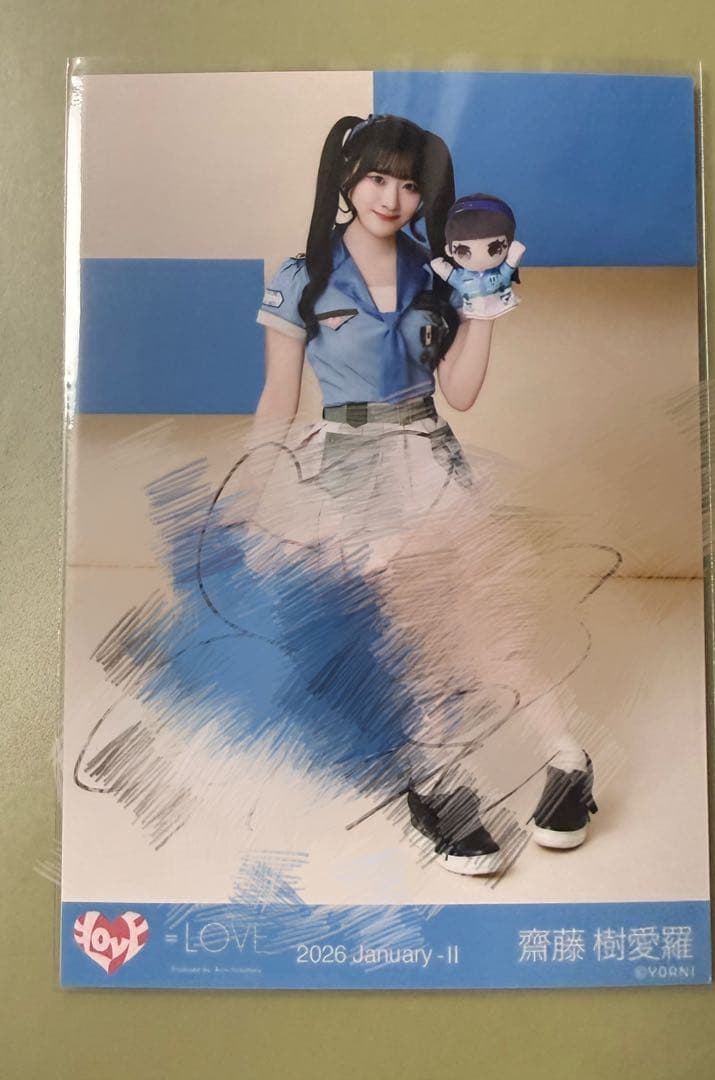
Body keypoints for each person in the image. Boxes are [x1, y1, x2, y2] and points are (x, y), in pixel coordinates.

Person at [245, 113, 600, 875]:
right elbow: (279, 396)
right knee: (402, 637)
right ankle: (438, 784)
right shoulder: (301, 275)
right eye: (377, 178)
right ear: (347, 179)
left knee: (480, 629)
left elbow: (461, 393)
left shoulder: (438, 271)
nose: (392, 197)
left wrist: (482, 306)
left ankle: (568, 759)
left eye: (409, 185)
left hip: (429, 461)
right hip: (346, 471)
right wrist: (260, 488)